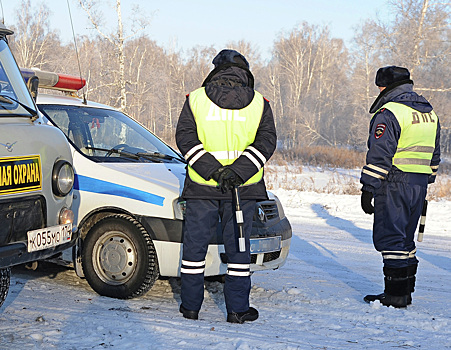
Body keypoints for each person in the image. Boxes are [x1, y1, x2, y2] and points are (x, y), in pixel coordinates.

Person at [175, 49, 276, 323]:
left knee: (194, 249)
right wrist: (238, 173)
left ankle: (190, 308)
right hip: (243, 190)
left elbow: (185, 138)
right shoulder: (260, 103)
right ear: (245, 71)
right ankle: (237, 310)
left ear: (216, 69)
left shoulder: (195, 99)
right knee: (239, 251)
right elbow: (266, 142)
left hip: (201, 186)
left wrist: (213, 170)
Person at [360, 66, 440, 308]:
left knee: (391, 237)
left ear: (387, 87)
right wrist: (427, 179)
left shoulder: (390, 112)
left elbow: (380, 154)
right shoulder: (428, 112)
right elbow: (435, 153)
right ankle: (405, 293)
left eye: (380, 86)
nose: (379, 90)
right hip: (419, 183)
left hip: (395, 181)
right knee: (406, 239)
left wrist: (368, 187)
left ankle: (394, 296)